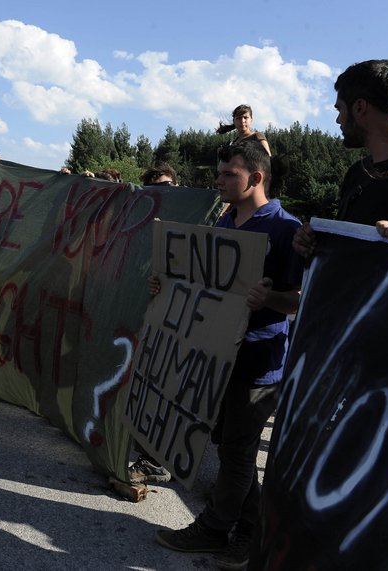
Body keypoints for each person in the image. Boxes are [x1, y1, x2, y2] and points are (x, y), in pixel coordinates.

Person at [153, 141, 302, 571]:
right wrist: (165, 290)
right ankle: (251, 534)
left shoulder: (284, 229)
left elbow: (297, 300)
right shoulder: (224, 219)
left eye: (228, 175)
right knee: (228, 446)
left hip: (258, 363)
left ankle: (217, 530)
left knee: (236, 451)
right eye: (218, 174)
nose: (218, 181)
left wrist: (267, 297)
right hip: (218, 355)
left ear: (256, 178)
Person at [294, 59, 388, 257]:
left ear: (359, 107)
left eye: (340, 109)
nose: (338, 119)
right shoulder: (356, 173)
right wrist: (315, 242)